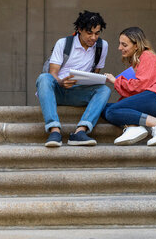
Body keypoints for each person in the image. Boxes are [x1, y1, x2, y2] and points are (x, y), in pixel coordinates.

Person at [36, 10, 111, 147]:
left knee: (104, 89)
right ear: (80, 30)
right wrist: (60, 82)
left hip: (78, 93)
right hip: (57, 90)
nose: (93, 37)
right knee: (44, 78)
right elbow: (53, 72)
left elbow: (95, 73)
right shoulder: (63, 43)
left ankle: (80, 131)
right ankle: (54, 131)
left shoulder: (102, 46)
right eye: (89, 33)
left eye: (97, 33)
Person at [103, 27, 156, 146]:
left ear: (136, 45)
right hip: (154, 100)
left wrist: (115, 81)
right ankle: (134, 127)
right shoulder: (139, 61)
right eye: (120, 44)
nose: (119, 48)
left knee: (112, 110)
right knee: (104, 108)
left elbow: (139, 86)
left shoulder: (147, 56)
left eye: (124, 45)